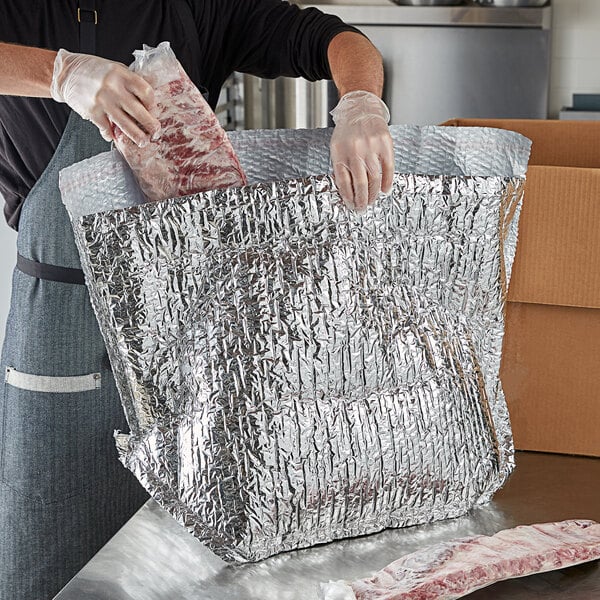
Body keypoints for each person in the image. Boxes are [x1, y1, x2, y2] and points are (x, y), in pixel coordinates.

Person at [0, 1, 394, 598]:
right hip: (61, 319)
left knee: (185, 542)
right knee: (51, 530)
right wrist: (62, 73)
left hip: (183, 308)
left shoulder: (197, 8)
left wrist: (362, 102)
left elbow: (335, 40)